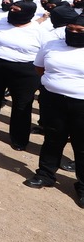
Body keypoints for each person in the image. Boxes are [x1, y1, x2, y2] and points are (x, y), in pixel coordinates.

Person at [25, 15, 84, 208]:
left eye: (79, 31)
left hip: (81, 104)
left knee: (81, 144)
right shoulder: (52, 45)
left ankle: (82, 186)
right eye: (70, 29)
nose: (73, 33)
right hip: (53, 99)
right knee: (52, 138)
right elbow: (40, 68)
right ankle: (45, 174)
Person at [0, 1, 43, 150]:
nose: (11, 12)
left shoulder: (39, 30)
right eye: (11, 9)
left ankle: (19, 139)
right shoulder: (1, 22)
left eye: (16, 10)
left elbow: (45, 52)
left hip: (25, 71)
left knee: (22, 104)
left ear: (27, 13)